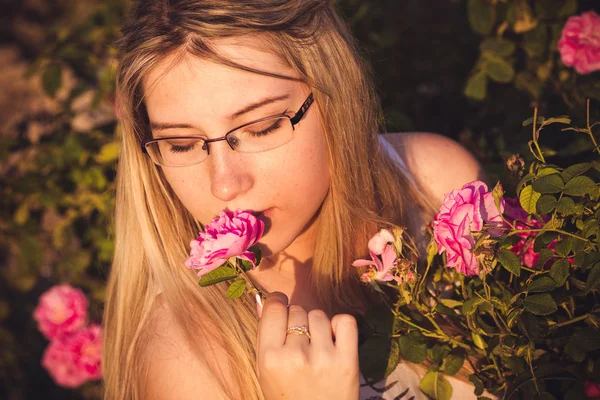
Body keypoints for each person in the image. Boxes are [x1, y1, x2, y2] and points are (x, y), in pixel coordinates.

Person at [103, 0, 483, 399]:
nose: (224, 185)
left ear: (336, 95)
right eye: (181, 144)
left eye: (262, 128)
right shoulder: (188, 358)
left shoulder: (433, 186)